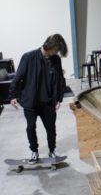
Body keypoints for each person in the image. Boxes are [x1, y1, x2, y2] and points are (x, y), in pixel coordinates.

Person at [9, 34, 68, 164]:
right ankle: (34, 151)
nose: (57, 52)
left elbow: (59, 80)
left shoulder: (56, 60)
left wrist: (59, 98)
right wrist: (12, 95)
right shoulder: (29, 57)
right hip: (31, 101)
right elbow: (18, 77)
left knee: (51, 128)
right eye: (56, 49)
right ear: (50, 46)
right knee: (31, 127)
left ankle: (52, 150)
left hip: (47, 102)